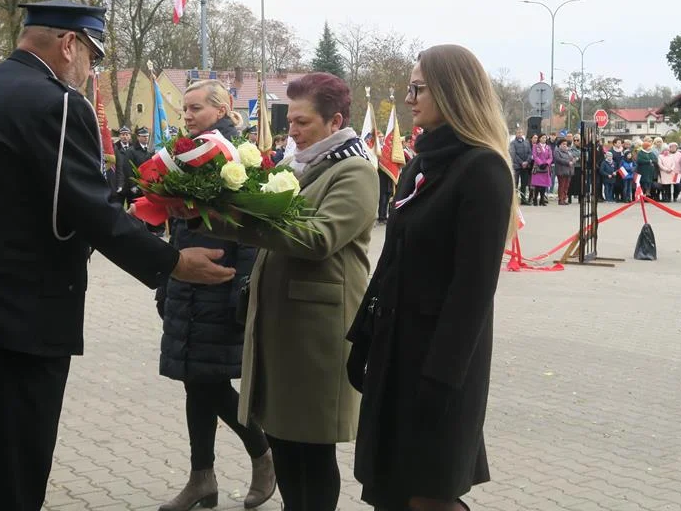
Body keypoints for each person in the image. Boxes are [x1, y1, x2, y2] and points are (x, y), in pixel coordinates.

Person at [0, 0, 235, 510]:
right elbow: (88, 208)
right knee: (13, 470)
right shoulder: (56, 101)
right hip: (14, 313)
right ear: (69, 45)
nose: (90, 69)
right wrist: (171, 262)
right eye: (92, 56)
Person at [192, 72, 378, 511]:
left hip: (318, 334)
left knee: (312, 451)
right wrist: (211, 210)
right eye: (290, 121)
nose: (291, 131)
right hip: (283, 328)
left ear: (335, 122)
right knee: (284, 440)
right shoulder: (303, 164)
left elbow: (319, 239)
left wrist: (244, 220)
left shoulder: (355, 170)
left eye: (302, 122)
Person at [346, 44, 515, 511]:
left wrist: (440, 380)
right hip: (395, 351)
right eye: (409, 88)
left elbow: (473, 292)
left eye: (417, 88)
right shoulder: (421, 163)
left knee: (429, 495)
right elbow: (391, 259)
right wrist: (362, 336)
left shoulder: (482, 169)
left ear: (450, 91)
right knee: (390, 489)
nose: (409, 98)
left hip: (440, 363)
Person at [156, 79, 276, 511]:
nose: (186, 115)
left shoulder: (238, 156)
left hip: (220, 287)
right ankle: (201, 479)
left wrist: (239, 295)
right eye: (184, 109)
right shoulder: (186, 155)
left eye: (195, 108)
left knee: (209, 383)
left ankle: (263, 457)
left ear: (221, 108)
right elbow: (180, 229)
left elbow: (251, 235)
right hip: (186, 286)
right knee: (196, 382)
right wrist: (165, 282)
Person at [508, 129, 531, 204]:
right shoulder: (513, 143)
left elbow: (530, 153)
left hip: (525, 167)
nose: (520, 134)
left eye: (521, 132)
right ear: (516, 134)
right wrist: (522, 163)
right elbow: (513, 154)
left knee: (524, 184)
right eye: (518, 133)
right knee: (515, 183)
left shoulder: (526, 142)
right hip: (517, 166)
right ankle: (514, 201)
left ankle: (523, 199)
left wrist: (527, 162)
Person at [529, 134, 552, 206]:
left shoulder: (548, 147)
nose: (544, 139)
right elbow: (535, 156)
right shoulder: (535, 146)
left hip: (546, 167)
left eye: (545, 138)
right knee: (537, 185)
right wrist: (541, 163)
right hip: (538, 167)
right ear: (539, 139)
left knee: (544, 185)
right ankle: (535, 199)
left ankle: (542, 200)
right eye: (542, 138)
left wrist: (547, 163)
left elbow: (551, 157)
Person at [553, 138, 574, 205]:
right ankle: (560, 199)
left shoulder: (568, 152)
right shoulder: (557, 151)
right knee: (561, 185)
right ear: (559, 145)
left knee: (566, 186)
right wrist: (568, 162)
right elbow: (558, 159)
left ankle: (564, 199)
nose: (565, 145)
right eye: (563, 144)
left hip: (569, 171)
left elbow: (572, 158)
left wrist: (573, 161)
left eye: (566, 144)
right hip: (561, 171)